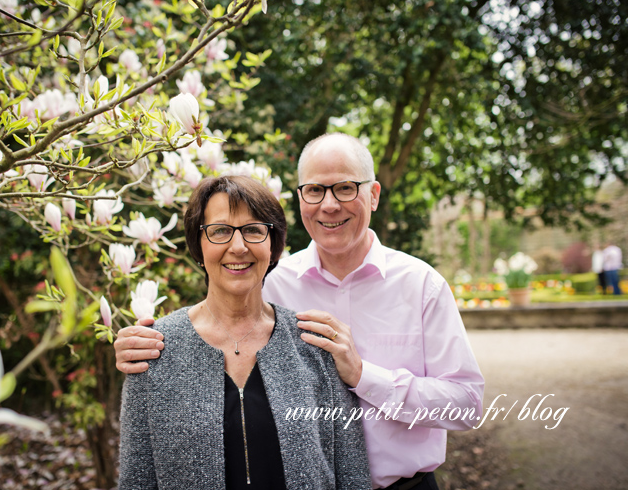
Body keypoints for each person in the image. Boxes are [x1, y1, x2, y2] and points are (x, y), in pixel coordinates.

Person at [116, 134, 485, 490]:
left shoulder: (420, 285)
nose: (329, 205)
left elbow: (467, 405)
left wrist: (363, 375)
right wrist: (143, 344)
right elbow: (222, 312)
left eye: (344, 188)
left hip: (405, 485)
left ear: (372, 195)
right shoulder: (275, 283)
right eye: (315, 190)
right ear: (300, 198)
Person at [118, 175, 370, 490]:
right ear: (199, 245)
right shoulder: (154, 350)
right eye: (220, 231)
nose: (238, 247)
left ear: (273, 244)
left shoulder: (314, 344)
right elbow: (136, 480)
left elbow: (352, 473)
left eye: (253, 230)